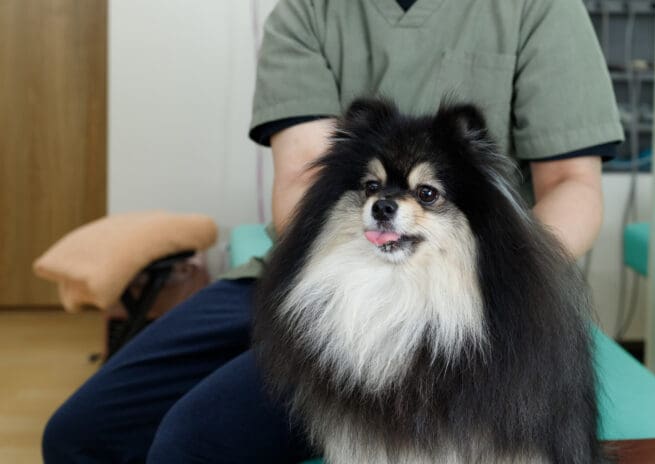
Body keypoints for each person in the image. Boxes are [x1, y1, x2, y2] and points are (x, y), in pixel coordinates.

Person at [42, 0, 623, 462]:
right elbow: (302, 180)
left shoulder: (540, 8)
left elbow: (574, 183)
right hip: (314, 279)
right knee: (80, 435)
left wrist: (510, 280)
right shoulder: (308, 11)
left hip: (468, 296)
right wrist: (335, 304)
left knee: (191, 443)